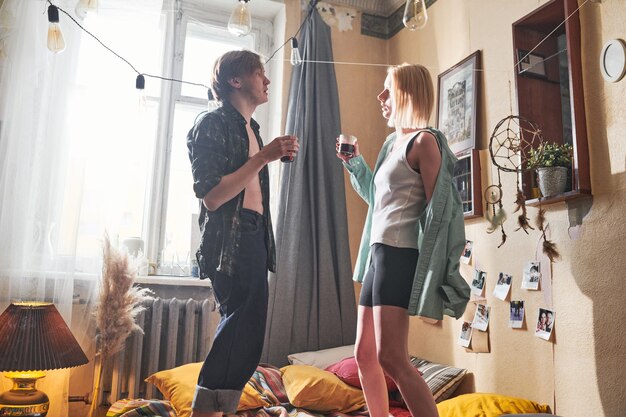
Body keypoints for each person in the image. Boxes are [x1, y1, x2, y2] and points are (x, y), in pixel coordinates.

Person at [336, 63, 470, 417]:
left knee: (391, 357)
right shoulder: (392, 143)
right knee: (364, 354)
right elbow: (378, 200)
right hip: (377, 255)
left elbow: (442, 209)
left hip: (399, 256)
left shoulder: (425, 142)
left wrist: (440, 271)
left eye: (388, 90)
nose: (380, 97)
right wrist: (356, 164)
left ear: (406, 94)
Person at [187, 50, 299, 417]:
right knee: (241, 328)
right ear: (236, 81)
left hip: (254, 239)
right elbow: (213, 198)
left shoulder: (252, 130)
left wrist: (264, 154)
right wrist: (263, 157)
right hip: (229, 243)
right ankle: (204, 410)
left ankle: (220, 409)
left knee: (249, 337)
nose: (267, 80)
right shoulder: (211, 123)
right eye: (259, 73)